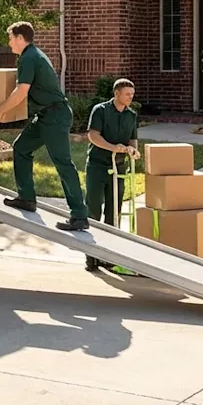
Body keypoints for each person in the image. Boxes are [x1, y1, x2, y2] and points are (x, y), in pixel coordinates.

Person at [0, 22, 89, 232]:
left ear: (19, 38)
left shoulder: (29, 57)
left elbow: (21, 91)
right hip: (44, 116)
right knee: (21, 148)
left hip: (55, 116)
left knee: (63, 163)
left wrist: (0, 110)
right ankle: (26, 198)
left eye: (10, 38)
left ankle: (79, 215)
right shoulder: (32, 55)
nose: (9, 44)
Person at [84, 78, 140, 271]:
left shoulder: (131, 115)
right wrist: (112, 148)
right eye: (127, 94)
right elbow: (93, 135)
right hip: (98, 166)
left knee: (113, 212)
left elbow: (132, 139)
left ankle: (108, 256)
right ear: (116, 94)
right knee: (93, 209)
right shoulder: (100, 110)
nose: (130, 97)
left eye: (132, 94)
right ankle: (91, 255)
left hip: (119, 167)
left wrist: (133, 150)